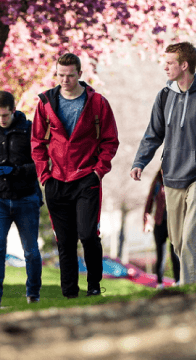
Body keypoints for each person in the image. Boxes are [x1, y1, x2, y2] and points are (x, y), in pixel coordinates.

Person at [130, 42, 196, 285]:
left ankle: (186, 293)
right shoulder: (164, 96)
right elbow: (153, 133)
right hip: (172, 178)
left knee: (190, 239)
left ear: (184, 65)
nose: (164, 67)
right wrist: (140, 161)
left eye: (169, 63)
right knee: (178, 243)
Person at [31, 53, 119, 298]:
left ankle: (93, 285)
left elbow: (110, 140)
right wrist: (44, 176)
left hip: (86, 179)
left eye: (70, 75)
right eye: (61, 75)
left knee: (88, 235)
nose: (65, 80)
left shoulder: (98, 102)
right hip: (56, 180)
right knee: (65, 240)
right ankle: (69, 292)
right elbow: (37, 142)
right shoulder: (45, 103)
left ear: (80, 74)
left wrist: (98, 172)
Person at [0, 91, 43, 308]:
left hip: (27, 199)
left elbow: (41, 165)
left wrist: (15, 170)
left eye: (4, 115)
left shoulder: (29, 130)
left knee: (30, 251)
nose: (1, 120)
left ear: (13, 110)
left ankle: (33, 294)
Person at [144, 169, 180, 288]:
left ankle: (178, 280)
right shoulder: (157, 184)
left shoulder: (177, 182)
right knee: (161, 254)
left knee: (175, 253)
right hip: (159, 223)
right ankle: (160, 282)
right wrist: (146, 221)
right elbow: (149, 203)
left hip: (174, 224)